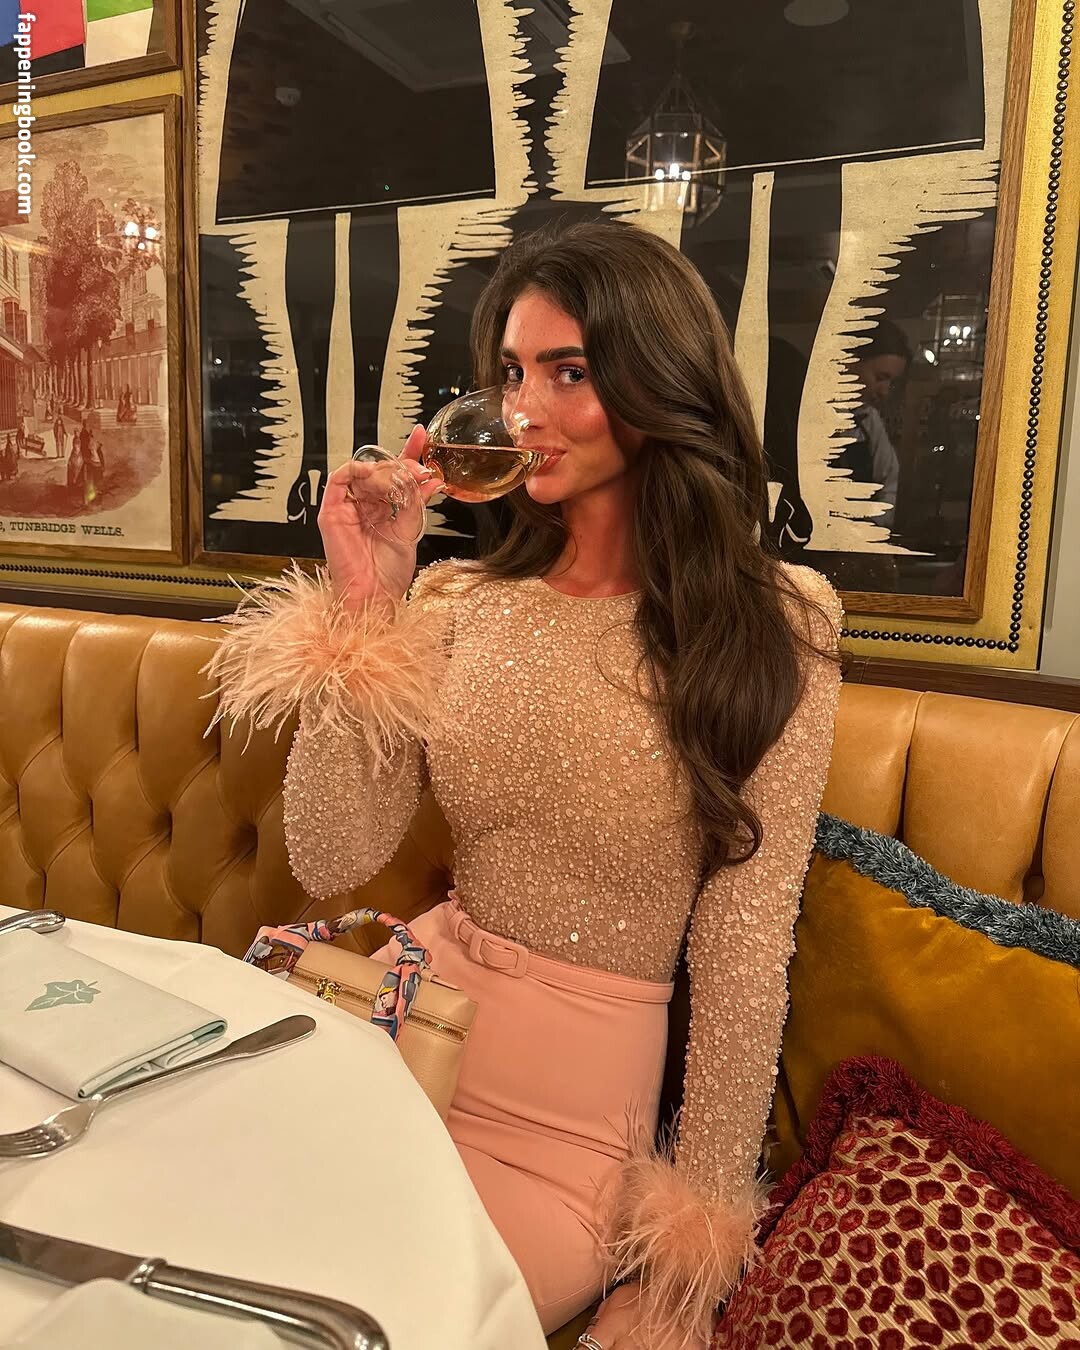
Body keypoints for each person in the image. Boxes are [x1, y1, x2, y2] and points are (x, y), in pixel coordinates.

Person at [208, 222, 841, 1349]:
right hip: (398, 1038)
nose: (523, 410)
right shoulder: (461, 599)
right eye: (510, 373)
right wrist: (370, 602)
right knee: (205, 1263)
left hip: (570, 1138)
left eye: (570, 372)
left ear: (659, 381)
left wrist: (683, 1267)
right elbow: (332, 853)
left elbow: (746, 950)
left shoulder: (776, 623)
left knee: (366, 1319)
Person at [833, 319, 912, 532]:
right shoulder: (808, 411)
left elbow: (890, 485)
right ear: (850, 362)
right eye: (880, 377)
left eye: (891, 382)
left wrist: (869, 527)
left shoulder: (869, 418)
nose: (885, 391)